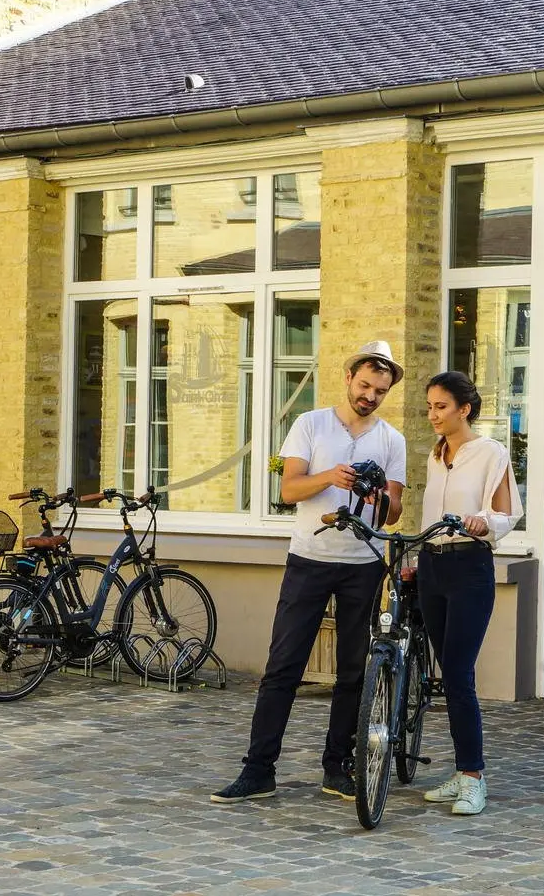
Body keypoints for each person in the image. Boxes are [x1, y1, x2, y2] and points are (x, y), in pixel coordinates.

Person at [212, 341, 407, 805]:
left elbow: (394, 514)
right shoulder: (310, 423)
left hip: (362, 563)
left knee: (353, 671)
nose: (371, 396)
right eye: (365, 386)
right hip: (310, 559)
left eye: (380, 390)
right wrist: (331, 477)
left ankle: (336, 768)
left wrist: (379, 494)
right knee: (283, 666)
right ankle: (258, 770)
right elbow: (289, 487)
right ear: (348, 379)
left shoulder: (391, 439)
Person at [413, 371, 521, 816]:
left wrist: (483, 522)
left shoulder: (490, 453)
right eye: (430, 407)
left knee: (459, 673)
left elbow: (508, 511)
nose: (434, 415)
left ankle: (474, 776)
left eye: (441, 406)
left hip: (469, 566)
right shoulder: (435, 456)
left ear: (464, 409)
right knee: (445, 672)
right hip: (430, 565)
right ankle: (460, 770)